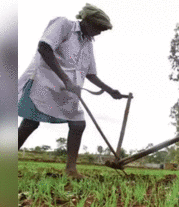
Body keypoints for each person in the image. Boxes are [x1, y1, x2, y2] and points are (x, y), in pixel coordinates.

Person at [18, 3, 124, 178]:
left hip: (68, 91)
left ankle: (71, 169)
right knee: (30, 123)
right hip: (43, 83)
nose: (100, 33)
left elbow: (90, 74)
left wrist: (110, 90)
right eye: (99, 28)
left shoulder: (88, 42)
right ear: (88, 22)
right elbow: (44, 47)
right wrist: (66, 79)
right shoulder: (64, 25)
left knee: (78, 123)